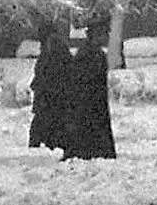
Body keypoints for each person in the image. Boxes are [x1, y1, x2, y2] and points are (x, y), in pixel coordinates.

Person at [62, 22, 116, 160]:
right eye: (102, 34)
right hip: (87, 100)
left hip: (94, 100)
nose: (105, 37)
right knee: (88, 126)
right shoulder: (88, 54)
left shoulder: (94, 53)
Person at [27, 23, 72, 151]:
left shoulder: (52, 50)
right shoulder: (53, 49)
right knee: (48, 121)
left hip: (50, 95)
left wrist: (39, 85)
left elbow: (47, 72)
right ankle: (50, 143)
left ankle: (42, 145)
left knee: (44, 121)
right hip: (51, 95)